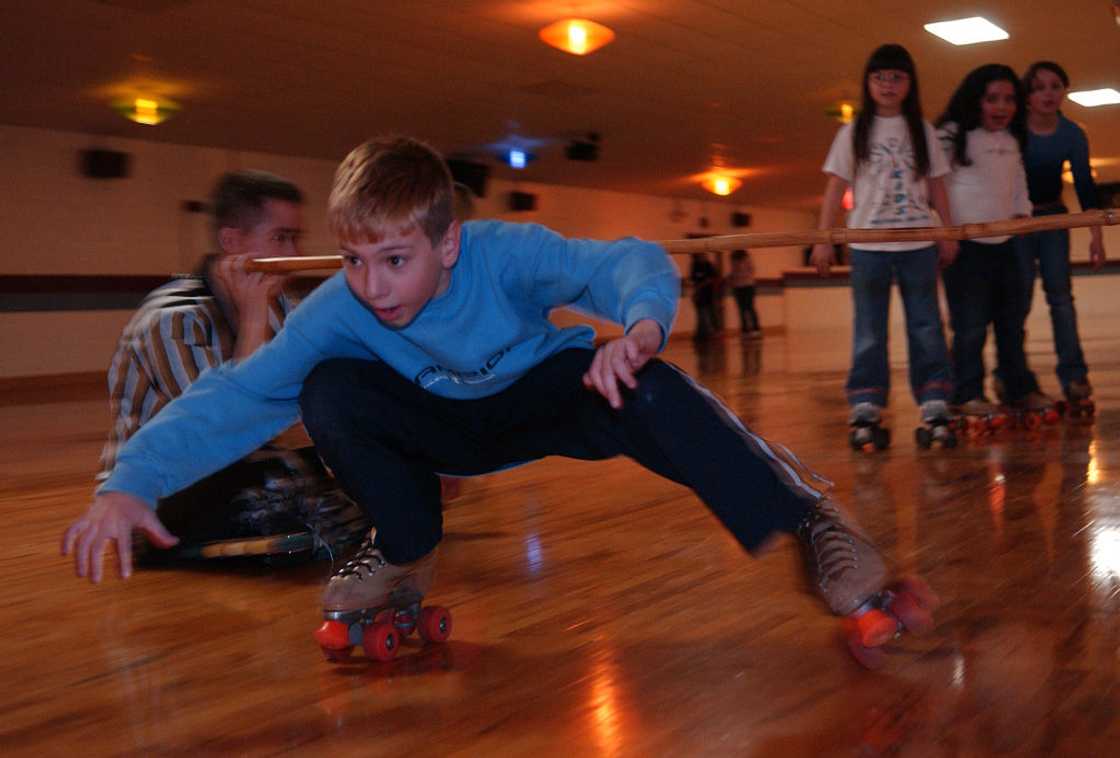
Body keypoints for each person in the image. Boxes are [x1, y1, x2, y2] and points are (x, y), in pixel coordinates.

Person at [63, 136, 930, 661]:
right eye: (354, 260)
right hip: (441, 424)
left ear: (448, 241)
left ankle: (808, 520)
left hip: (545, 392)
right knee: (327, 386)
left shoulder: (505, 253)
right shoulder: (342, 309)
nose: (372, 285)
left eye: (395, 259)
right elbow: (240, 395)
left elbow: (619, 262)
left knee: (651, 390)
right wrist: (131, 481)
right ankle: (402, 551)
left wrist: (638, 330)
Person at [97, 170, 366, 559]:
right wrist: (253, 318)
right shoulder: (172, 320)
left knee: (371, 475)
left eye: (296, 239)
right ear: (232, 242)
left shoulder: (286, 308)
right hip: (172, 485)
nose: (293, 256)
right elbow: (224, 430)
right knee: (313, 506)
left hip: (251, 467)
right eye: (282, 238)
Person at [811, 44, 956, 448]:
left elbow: (938, 185)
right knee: (869, 328)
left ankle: (934, 400)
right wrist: (824, 239)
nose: (888, 85)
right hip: (868, 244)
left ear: (910, 83)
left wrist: (948, 231)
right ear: (868, 83)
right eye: (880, 77)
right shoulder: (853, 130)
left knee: (926, 324)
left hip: (917, 241)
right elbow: (834, 186)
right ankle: (865, 402)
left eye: (897, 77)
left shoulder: (921, 130)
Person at [935, 64, 1054, 423]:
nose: (1001, 107)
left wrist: (1022, 213)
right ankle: (966, 392)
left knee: (1012, 320)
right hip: (966, 245)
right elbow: (933, 186)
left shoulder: (1012, 140)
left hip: (1007, 243)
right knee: (970, 324)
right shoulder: (951, 135)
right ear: (975, 100)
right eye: (992, 99)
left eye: (1009, 100)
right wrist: (945, 232)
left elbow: (1018, 184)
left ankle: (1017, 386)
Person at [1003, 61, 1106, 414]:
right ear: (1027, 96)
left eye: (1055, 86)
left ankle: (1074, 377)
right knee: (1018, 300)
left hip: (1052, 218)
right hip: (1015, 222)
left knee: (1060, 298)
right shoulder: (1013, 131)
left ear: (1064, 91)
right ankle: (1010, 374)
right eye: (1039, 87)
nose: (1048, 93)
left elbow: (1085, 188)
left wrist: (1096, 237)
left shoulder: (1072, 134)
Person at [728, 250, 761, 337]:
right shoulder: (732, 259)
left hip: (748, 286)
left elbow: (752, 270)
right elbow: (733, 272)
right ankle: (745, 330)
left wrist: (742, 276)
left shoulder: (747, 259)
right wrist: (732, 280)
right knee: (741, 309)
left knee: (750, 307)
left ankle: (756, 328)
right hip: (737, 287)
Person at [688, 252, 720, 340]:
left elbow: (714, 278)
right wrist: (696, 290)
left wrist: (707, 284)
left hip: (709, 294)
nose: (703, 256)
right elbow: (693, 280)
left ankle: (714, 333)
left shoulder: (709, 265)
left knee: (711, 313)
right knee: (701, 315)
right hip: (699, 295)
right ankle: (701, 334)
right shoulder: (695, 266)